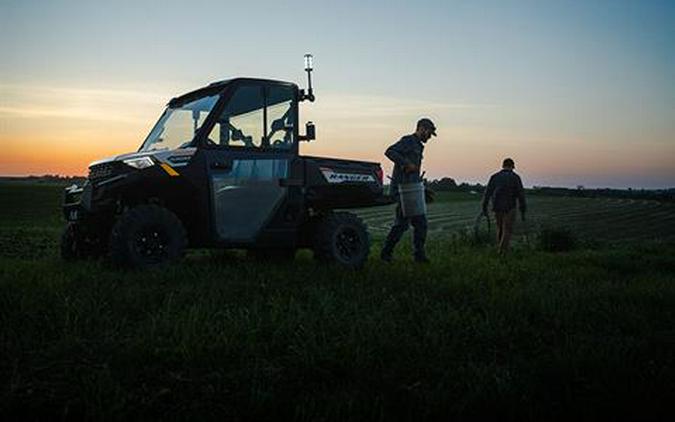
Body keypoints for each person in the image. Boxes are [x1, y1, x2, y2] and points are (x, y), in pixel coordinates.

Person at [380, 118, 437, 263]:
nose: (430, 137)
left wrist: (423, 189)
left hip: (412, 189)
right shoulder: (408, 141)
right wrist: (406, 164)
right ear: (422, 128)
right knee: (402, 224)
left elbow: (414, 173)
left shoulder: (418, 145)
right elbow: (389, 151)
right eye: (429, 133)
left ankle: (418, 255)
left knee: (419, 224)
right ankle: (386, 254)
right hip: (403, 190)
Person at [481, 158, 527, 254]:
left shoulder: (494, 177)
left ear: (503, 166)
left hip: (497, 206)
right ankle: (502, 251)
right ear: (512, 166)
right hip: (510, 207)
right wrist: (523, 207)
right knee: (508, 230)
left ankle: (502, 249)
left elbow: (487, 193)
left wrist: (484, 206)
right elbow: (521, 194)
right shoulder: (515, 177)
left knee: (500, 228)